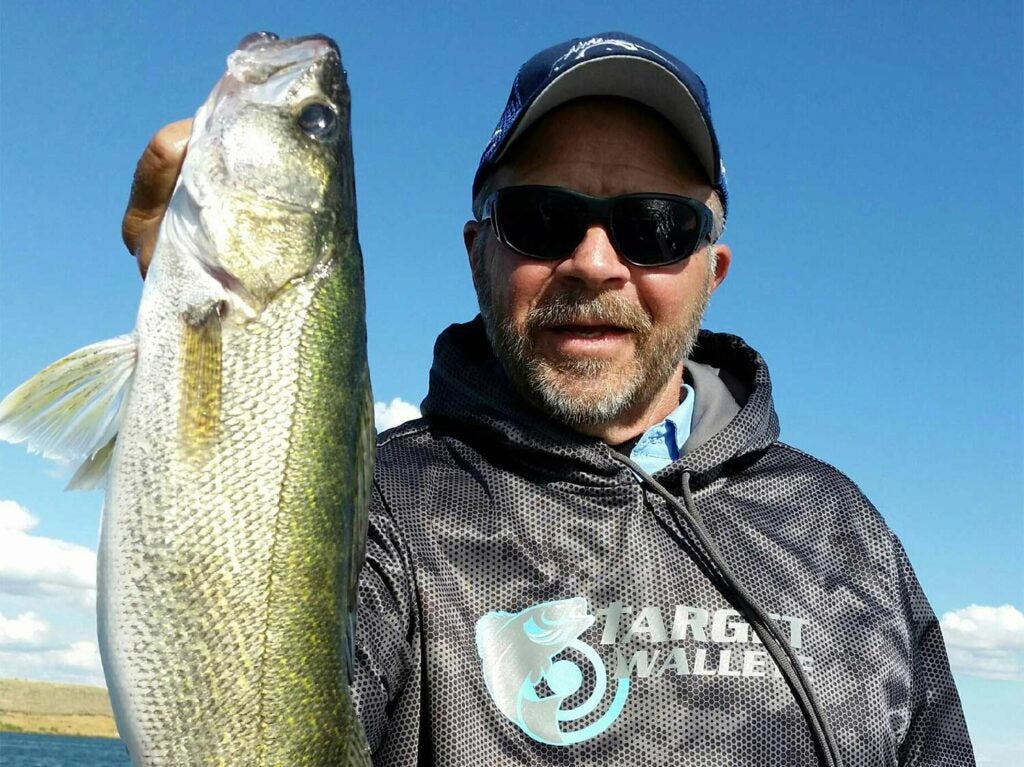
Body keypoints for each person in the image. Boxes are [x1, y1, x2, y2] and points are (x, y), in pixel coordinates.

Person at [123, 32, 974, 767]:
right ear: (478, 252)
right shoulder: (380, 510)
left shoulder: (841, 529)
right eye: (540, 217)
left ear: (710, 272)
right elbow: (247, 667)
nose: (596, 262)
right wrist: (232, 365)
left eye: (655, 227)